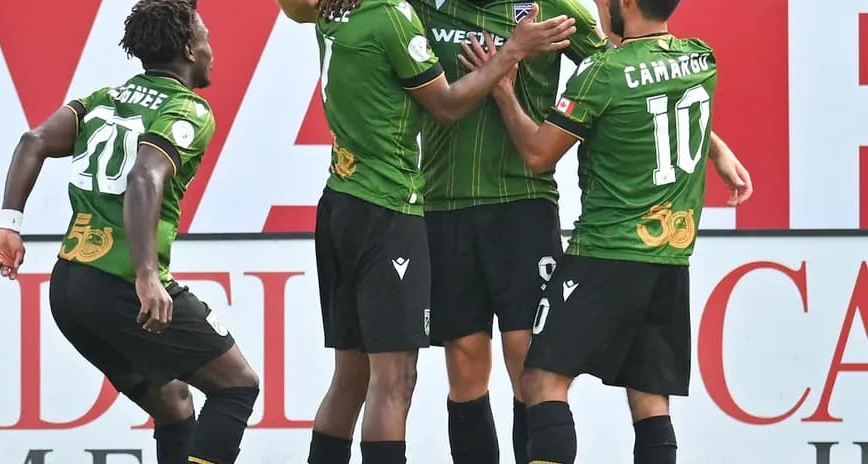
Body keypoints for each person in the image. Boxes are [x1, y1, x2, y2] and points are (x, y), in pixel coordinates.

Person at [276, 0, 576, 462]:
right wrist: (509, 53)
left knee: (354, 377)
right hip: (398, 206)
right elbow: (446, 106)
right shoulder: (395, 14)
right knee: (405, 376)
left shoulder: (337, 11)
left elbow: (613, 56)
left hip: (352, 200)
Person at [459, 0, 753, 462]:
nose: (598, 6)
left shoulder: (602, 73)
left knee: (541, 380)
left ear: (628, 4)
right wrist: (716, 149)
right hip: (670, 259)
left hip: (605, 252)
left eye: (605, 1)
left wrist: (503, 93)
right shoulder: (701, 59)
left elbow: (538, 154)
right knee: (650, 399)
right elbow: (660, 100)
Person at [0, 1, 260, 463]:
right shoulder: (188, 109)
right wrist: (148, 276)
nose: (213, 49)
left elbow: (33, 141)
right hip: (120, 283)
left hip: (70, 287)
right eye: (207, 38)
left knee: (174, 405)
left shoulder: (103, 98)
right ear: (191, 50)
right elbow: (143, 177)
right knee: (237, 386)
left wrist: (9, 226)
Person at [408, 1, 606, 462]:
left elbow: (613, 70)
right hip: (445, 201)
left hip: (524, 202)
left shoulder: (554, 7)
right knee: (464, 359)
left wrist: (712, 145)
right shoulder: (419, 5)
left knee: (528, 358)